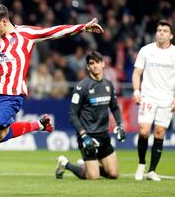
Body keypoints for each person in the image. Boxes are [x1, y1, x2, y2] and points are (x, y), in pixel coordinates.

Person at [0, 4, 104, 196]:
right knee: (0, 136)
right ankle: (39, 125)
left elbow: (54, 31)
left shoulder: (25, 34)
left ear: (4, 21)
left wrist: (83, 27)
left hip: (11, 97)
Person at [56, 51, 126, 180]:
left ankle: (86, 165)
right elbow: (72, 114)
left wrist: (120, 125)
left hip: (103, 135)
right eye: (91, 63)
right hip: (87, 135)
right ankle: (66, 164)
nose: (95, 66)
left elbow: (114, 107)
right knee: (93, 177)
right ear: (88, 67)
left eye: (97, 62)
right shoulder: (81, 87)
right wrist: (83, 135)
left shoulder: (108, 85)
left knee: (114, 174)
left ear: (103, 64)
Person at [132, 20, 175, 181]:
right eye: (159, 30)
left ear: (171, 35)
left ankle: (152, 171)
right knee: (144, 131)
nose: (161, 32)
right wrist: (137, 91)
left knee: (160, 133)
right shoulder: (146, 50)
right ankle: (141, 163)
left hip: (167, 98)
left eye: (164, 30)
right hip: (148, 96)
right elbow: (137, 73)